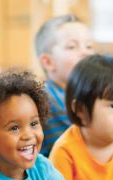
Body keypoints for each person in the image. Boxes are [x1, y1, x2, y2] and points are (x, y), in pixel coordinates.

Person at [34, 14, 95, 156]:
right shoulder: (46, 96)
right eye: (72, 47)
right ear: (48, 62)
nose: (85, 53)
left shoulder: (87, 96)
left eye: (89, 46)